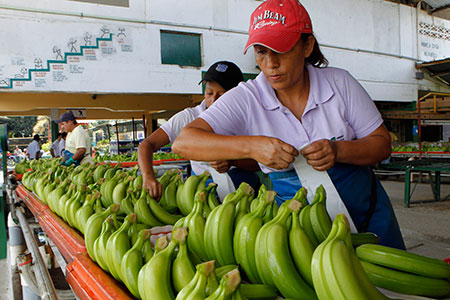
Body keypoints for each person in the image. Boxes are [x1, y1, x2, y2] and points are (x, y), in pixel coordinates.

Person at [173, 0, 405, 249]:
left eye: (281, 50)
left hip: (368, 213)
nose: (271, 63)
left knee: (390, 284)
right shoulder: (247, 97)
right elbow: (184, 142)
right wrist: (252, 147)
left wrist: (338, 151)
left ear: (307, 46)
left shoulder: (340, 83)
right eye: (261, 52)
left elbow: (382, 145)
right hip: (301, 228)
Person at [138, 61, 261, 199]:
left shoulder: (249, 118)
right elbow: (147, 145)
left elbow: (261, 162)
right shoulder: (190, 117)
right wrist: (148, 176)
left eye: (221, 95)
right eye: (209, 93)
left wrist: (233, 162)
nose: (214, 100)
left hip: (244, 189)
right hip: (201, 190)